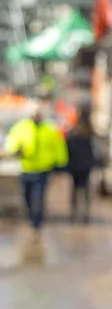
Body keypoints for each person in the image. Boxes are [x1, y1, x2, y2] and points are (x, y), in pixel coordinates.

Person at [5, 101, 67, 244]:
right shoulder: (21, 128)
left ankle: (36, 223)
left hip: (43, 170)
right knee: (27, 197)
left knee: (38, 198)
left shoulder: (50, 130)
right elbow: (12, 144)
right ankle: (31, 217)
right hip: (26, 168)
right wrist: (15, 150)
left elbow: (59, 147)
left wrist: (60, 165)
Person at [64, 106, 98, 223]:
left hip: (75, 165)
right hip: (86, 165)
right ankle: (85, 213)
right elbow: (95, 149)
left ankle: (74, 212)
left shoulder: (74, 132)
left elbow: (68, 147)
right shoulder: (90, 132)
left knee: (75, 188)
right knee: (85, 189)